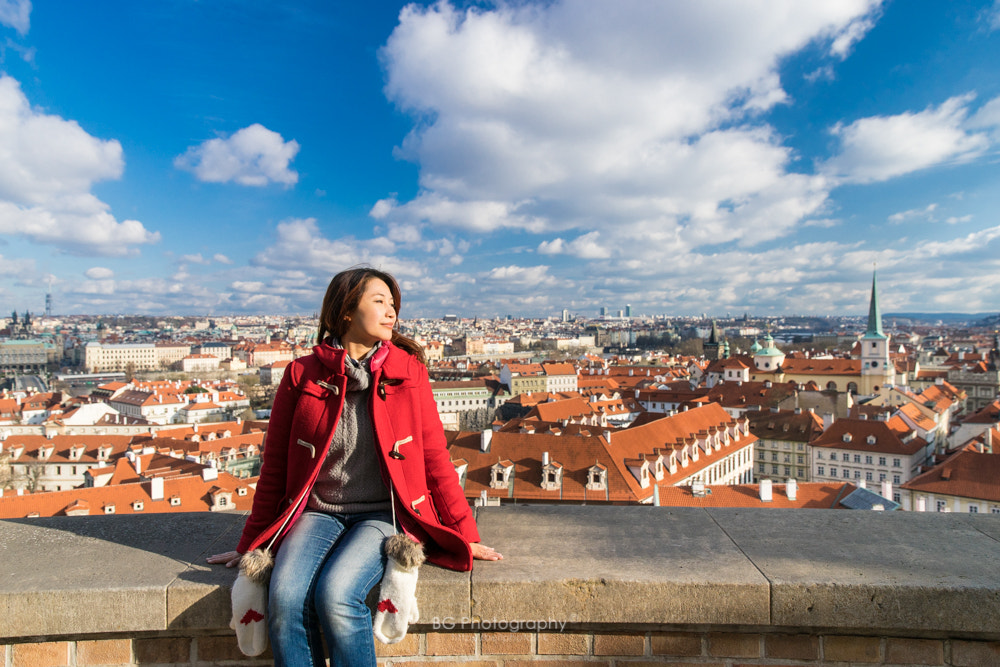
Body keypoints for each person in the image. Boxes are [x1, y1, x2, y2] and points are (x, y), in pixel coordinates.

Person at [208, 267, 501, 667]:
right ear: (346, 311)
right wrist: (251, 546)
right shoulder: (302, 374)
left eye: (393, 304)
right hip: (319, 512)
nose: (391, 312)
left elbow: (434, 459)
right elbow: (275, 466)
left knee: (338, 594)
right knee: (285, 595)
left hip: (383, 514)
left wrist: (463, 534)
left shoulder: (408, 371)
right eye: (379, 301)